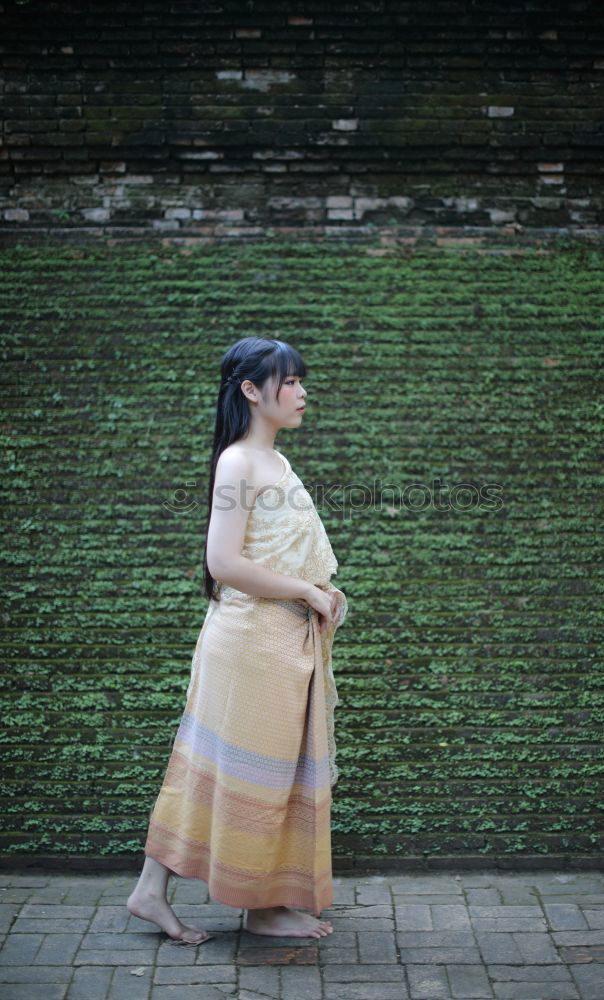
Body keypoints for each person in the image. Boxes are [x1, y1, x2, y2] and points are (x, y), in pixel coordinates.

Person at [127, 336, 348, 944]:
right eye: (291, 382)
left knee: (273, 775)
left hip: (280, 645)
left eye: (302, 381)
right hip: (250, 642)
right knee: (225, 769)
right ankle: (156, 891)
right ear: (252, 391)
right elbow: (222, 562)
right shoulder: (238, 461)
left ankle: (263, 904)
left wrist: (316, 595)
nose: (302, 393)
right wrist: (306, 591)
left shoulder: (274, 461)